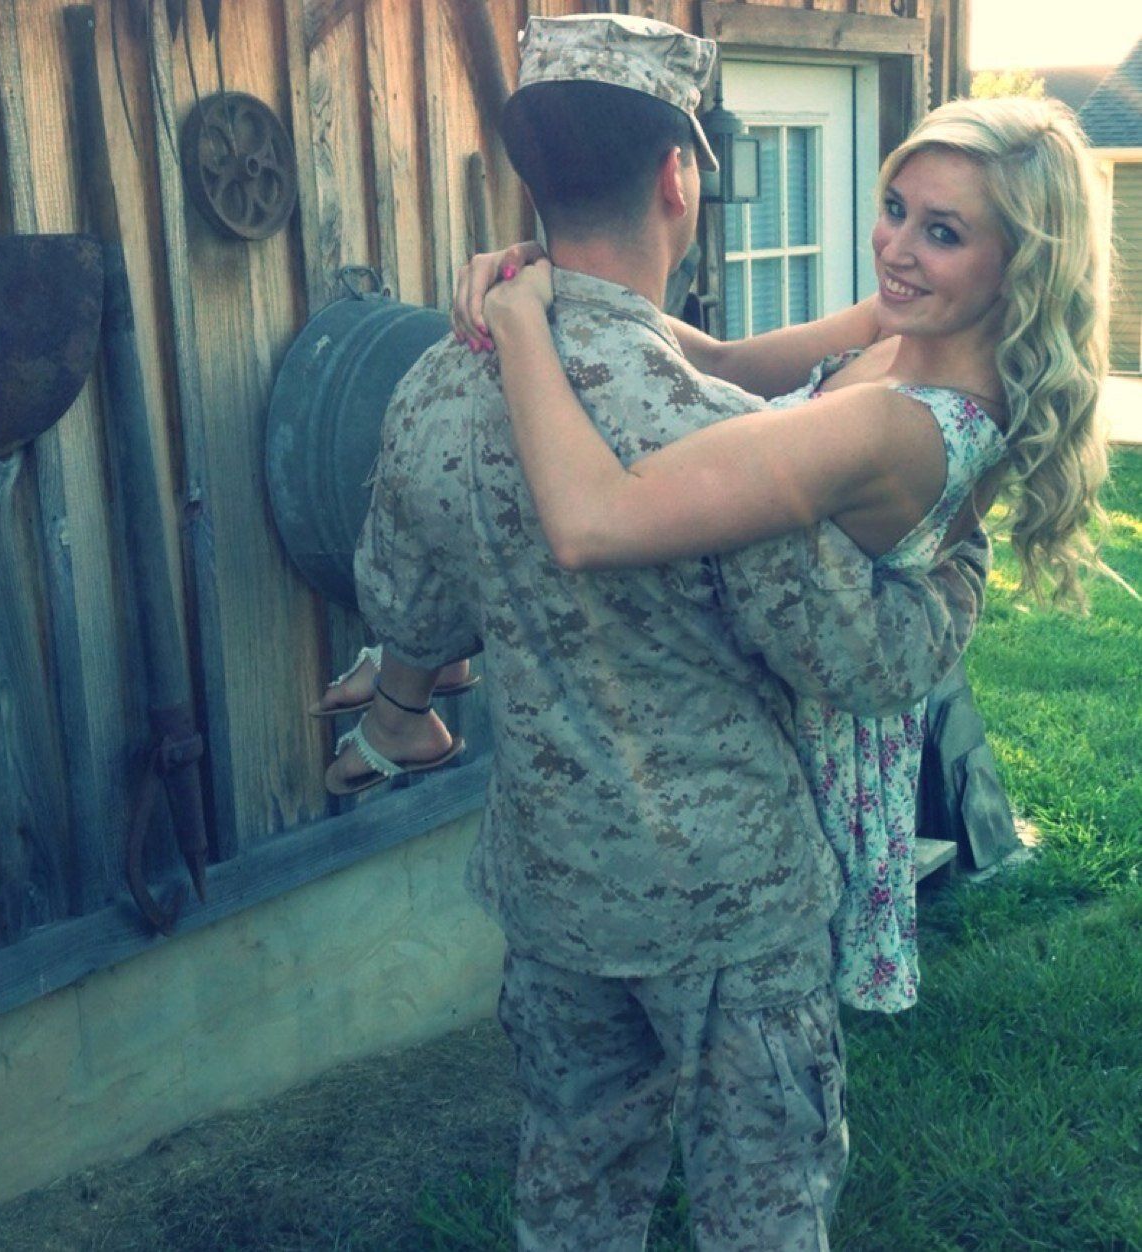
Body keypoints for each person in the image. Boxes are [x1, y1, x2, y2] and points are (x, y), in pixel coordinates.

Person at [334, 14, 995, 1248]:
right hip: (728, 900)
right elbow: (856, 662)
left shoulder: (436, 380)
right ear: (677, 177)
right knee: (762, 1208)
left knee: (574, 1191)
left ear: (533, 177)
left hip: (552, 886)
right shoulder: (727, 443)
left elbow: (410, 608)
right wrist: (960, 568)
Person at [452, 94, 1112, 1015]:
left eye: (944, 232)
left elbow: (591, 522)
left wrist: (520, 323)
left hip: (780, 767)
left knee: (749, 1052)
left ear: (1022, 263)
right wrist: (563, 280)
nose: (896, 249)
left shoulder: (901, 430)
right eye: (895, 209)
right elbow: (723, 365)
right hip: (760, 705)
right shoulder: (909, 330)